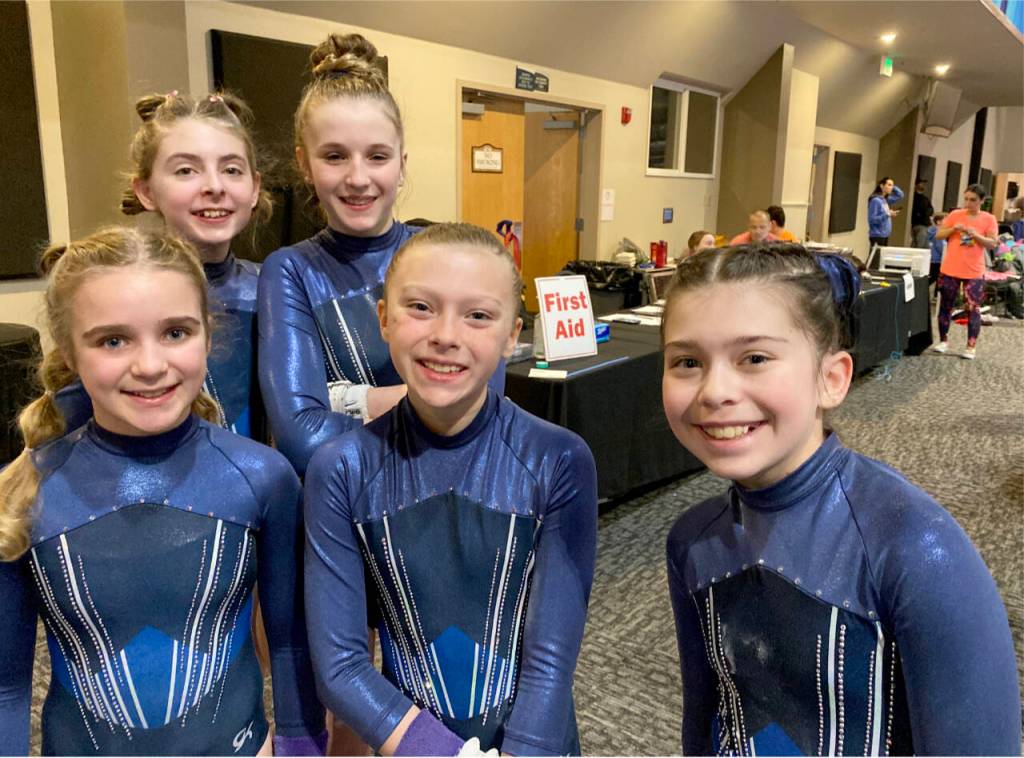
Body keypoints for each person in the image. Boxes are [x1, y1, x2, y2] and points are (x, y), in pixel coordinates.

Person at [662, 243, 1020, 755]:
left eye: (755, 358)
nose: (715, 390)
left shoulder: (914, 547)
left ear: (831, 379)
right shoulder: (692, 541)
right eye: (688, 361)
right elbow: (705, 722)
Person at [0, 227, 325, 756]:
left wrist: (300, 748)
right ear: (68, 352)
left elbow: (290, 646)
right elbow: (8, 687)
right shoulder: (22, 494)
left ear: (207, 334)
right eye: (113, 340)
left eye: (175, 333)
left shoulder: (263, 479)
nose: (150, 365)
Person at [303, 223, 598, 756]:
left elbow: (550, 659)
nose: (446, 334)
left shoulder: (558, 459)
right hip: (413, 745)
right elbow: (342, 665)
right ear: (383, 320)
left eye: (478, 315)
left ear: (513, 335)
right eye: (420, 307)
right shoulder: (341, 469)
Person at [258, 32, 506, 477]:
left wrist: (342, 400)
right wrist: (416, 399)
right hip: (344, 508)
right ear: (304, 163)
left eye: (377, 156)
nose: (358, 177)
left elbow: (485, 401)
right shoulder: (290, 271)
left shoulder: (445, 254)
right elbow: (302, 436)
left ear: (401, 162)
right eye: (334, 156)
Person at [56, 91, 271, 442]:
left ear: (254, 188)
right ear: (146, 190)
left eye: (231, 170)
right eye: (186, 170)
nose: (214, 186)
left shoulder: (277, 286)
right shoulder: (110, 293)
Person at [932, 183, 999, 359]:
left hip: (974, 271)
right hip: (950, 268)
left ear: (982, 201)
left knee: (973, 308)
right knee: (946, 305)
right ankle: (943, 340)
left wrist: (975, 234)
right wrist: (954, 228)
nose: (968, 203)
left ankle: (971, 346)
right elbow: (939, 235)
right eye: (966, 199)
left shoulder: (988, 219)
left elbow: (992, 243)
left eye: (973, 200)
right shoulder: (955, 215)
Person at [867, 176, 903, 247]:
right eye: (889, 185)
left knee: (881, 257)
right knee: (876, 257)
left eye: (892, 185)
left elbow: (900, 195)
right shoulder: (875, 200)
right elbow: (872, 220)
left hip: (885, 234)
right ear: (881, 186)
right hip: (877, 235)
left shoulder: (885, 199)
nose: (891, 188)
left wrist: (892, 186)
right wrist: (887, 214)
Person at [911, 179, 934, 248]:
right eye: (921, 184)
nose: (923, 186)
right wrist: (924, 213)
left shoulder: (925, 198)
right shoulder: (914, 198)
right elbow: (921, 209)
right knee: (919, 246)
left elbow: (931, 209)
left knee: (925, 246)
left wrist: (927, 213)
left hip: (925, 224)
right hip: (919, 224)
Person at [927, 210, 947, 285]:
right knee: (933, 278)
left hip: (931, 259)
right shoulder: (939, 233)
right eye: (946, 220)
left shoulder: (931, 231)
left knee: (929, 280)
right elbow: (940, 247)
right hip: (937, 260)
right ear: (939, 222)